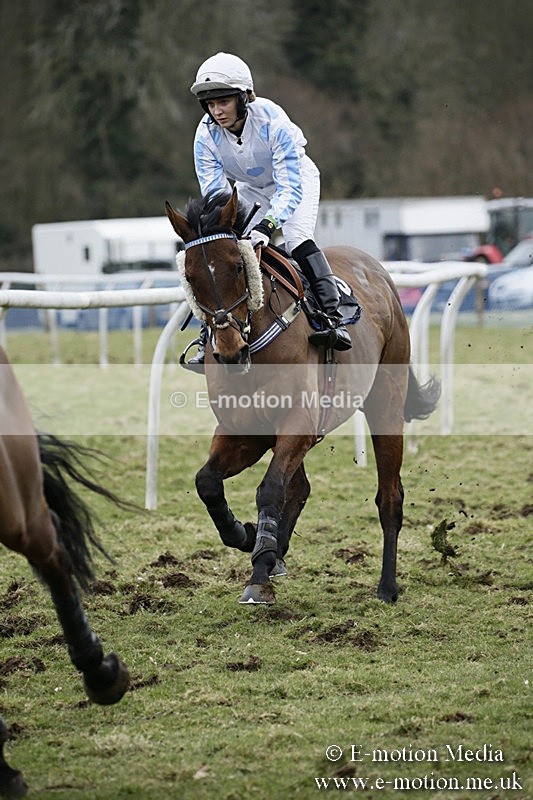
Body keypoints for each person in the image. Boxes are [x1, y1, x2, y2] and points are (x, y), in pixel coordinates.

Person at [187, 52, 351, 367]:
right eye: (210, 104)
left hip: (294, 181)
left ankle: (333, 317)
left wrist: (267, 226)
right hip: (250, 191)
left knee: (295, 239)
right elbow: (216, 192)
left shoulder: (272, 121)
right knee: (220, 255)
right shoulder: (204, 135)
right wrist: (225, 230)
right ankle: (209, 335)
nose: (216, 111)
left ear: (242, 97)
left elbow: (289, 187)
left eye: (223, 102)